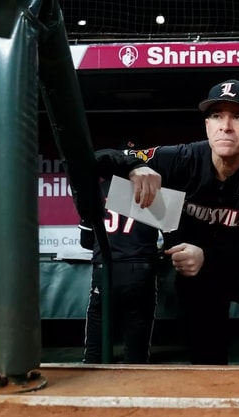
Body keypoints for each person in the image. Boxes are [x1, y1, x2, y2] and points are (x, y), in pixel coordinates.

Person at [95, 79, 239, 365]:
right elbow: (94, 161)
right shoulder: (181, 158)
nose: (226, 125)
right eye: (216, 116)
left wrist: (207, 255)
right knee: (206, 357)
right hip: (193, 269)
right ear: (207, 126)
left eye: (237, 116)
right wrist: (135, 166)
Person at [79, 143, 160, 364]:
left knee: (95, 351)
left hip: (106, 269)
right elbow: (172, 236)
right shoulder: (152, 191)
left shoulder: (98, 190)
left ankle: (92, 382)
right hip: (140, 271)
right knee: (137, 354)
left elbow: (86, 240)